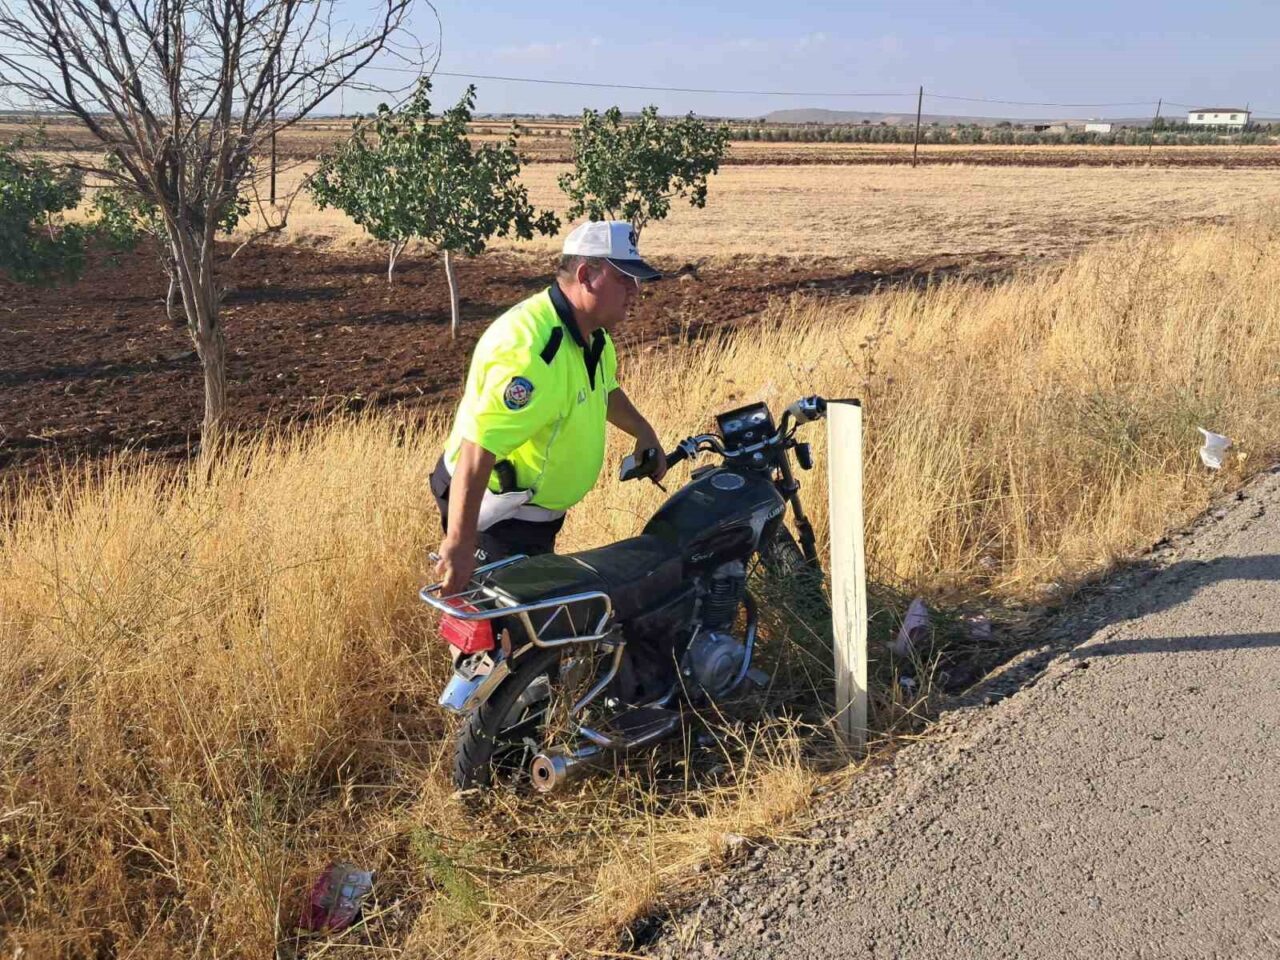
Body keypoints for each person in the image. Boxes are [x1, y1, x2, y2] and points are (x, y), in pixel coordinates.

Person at [431, 220, 668, 595]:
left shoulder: (594, 336)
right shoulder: (530, 351)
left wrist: (642, 429)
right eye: (624, 278)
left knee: (536, 623)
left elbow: (603, 389)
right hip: (495, 515)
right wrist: (460, 541)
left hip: (532, 516)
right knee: (502, 634)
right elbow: (479, 447)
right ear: (587, 275)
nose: (635, 291)